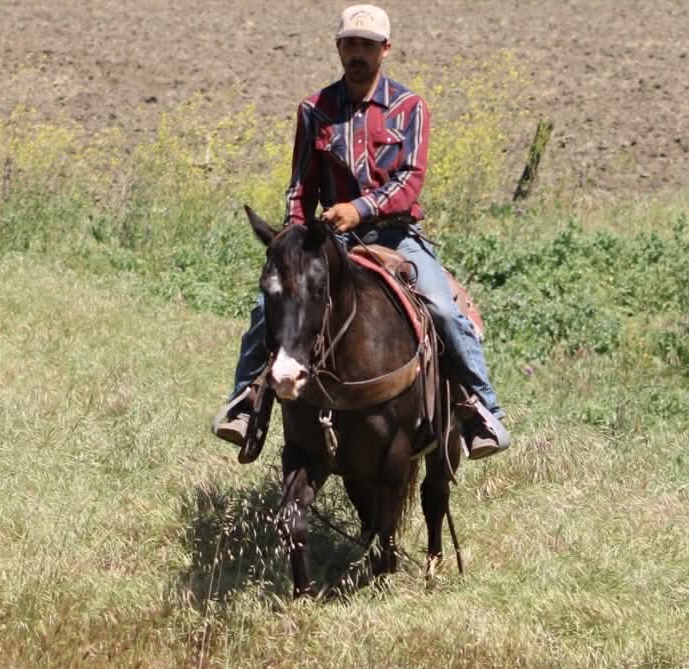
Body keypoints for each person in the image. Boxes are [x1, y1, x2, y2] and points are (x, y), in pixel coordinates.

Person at [212, 4, 510, 459]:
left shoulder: (409, 108)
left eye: (367, 46)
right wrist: (294, 243)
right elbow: (301, 185)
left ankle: (480, 411)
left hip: (396, 237)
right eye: (350, 44)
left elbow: (410, 179)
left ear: (385, 49)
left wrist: (359, 209)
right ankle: (247, 403)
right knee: (266, 306)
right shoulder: (314, 110)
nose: (358, 53)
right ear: (338, 47)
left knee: (443, 310)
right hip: (329, 243)